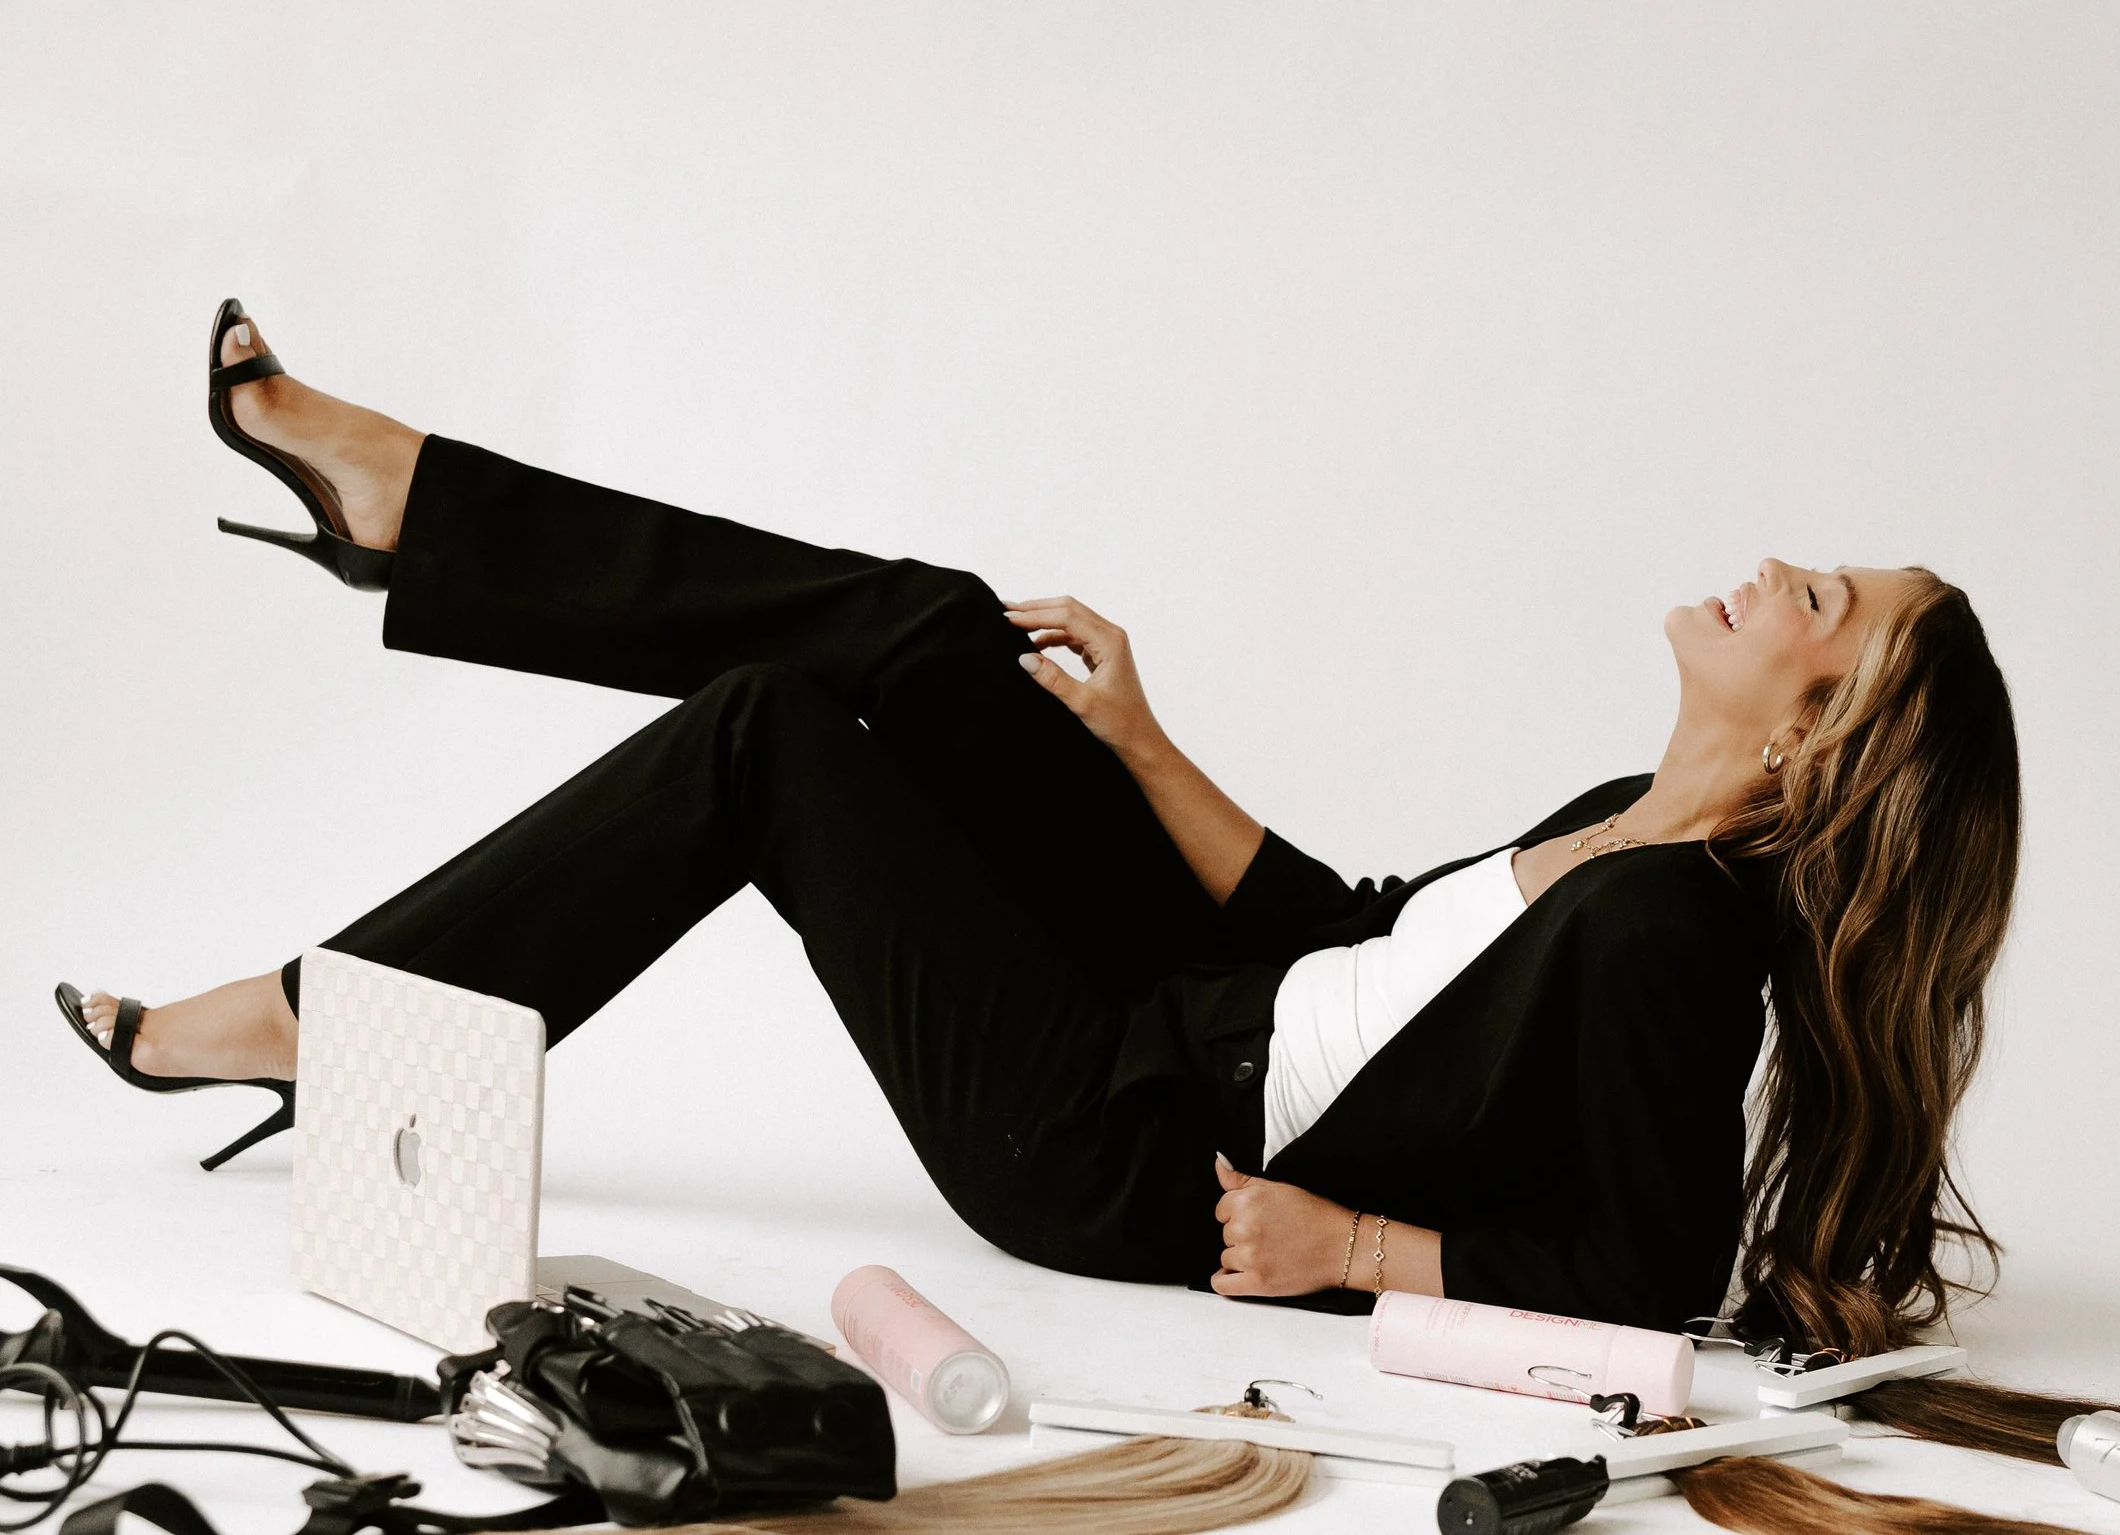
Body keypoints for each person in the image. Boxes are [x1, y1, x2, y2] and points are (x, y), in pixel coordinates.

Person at [62, 299, 2014, 1346]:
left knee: (765, 738)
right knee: (928, 628)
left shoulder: (1671, 931)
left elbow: (1644, 1265)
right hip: (1201, 997)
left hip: (1117, 1143)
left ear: (1824, 729)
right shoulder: (1625, 818)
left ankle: (337, 1017)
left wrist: (1351, 1243)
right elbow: (1349, 929)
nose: (1776, 568)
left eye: (1822, 600)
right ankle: (431, 514)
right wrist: (1148, 744)